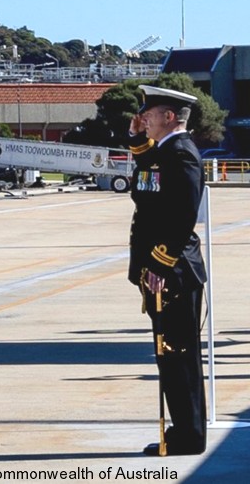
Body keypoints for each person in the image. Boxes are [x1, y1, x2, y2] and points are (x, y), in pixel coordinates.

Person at [128, 85, 209, 456]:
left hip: (174, 271)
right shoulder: (164, 152)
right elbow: (147, 185)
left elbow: (182, 215)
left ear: (170, 118)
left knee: (179, 356)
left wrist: (160, 262)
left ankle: (188, 436)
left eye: (151, 113)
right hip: (164, 271)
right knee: (169, 355)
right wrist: (135, 139)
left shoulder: (182, 154)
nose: (145, 118)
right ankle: (181, 431)